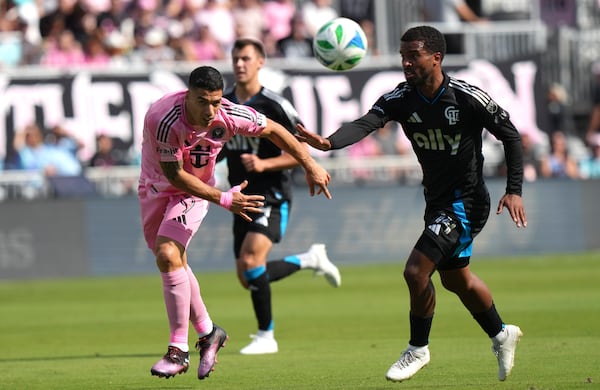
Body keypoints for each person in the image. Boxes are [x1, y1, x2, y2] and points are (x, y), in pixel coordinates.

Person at [296, 25, 527, 383]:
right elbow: (365, 123)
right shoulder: (401, 98)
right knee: (456, 281)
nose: (406, 63)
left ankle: (417, 349)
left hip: (467, 201)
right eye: (403, 56)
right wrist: (327, 143)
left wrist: (514, 189)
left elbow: (511, 136)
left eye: (413, 56)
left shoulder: (467, 98)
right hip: (436, 202)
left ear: (436, 58)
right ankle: (501, 333)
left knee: (415, 271)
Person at [138, 65, 331, 380]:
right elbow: (174, 175)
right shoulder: (163, 118)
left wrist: (309, 164)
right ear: (188, 95)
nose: (211, 110)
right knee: (176, 265)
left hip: (196, 193)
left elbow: (275, 130)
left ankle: (178, 349)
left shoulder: (229, 113)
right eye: (203, 101)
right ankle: (209, 332)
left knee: (168, 255)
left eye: (215, 101)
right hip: (157, 190)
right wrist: (224, 199)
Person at [220, 38, 341, 355]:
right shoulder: (224, 104)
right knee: (247, 277)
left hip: (271, 195)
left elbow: (302, 152)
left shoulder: (274, 105)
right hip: (240, 198)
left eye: (246, 58)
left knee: (250, 260)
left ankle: (266, 336)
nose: (239, 64)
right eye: (235, 59)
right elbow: (217, 148)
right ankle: (309, 259)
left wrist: (265, 163)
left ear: (260, 62)